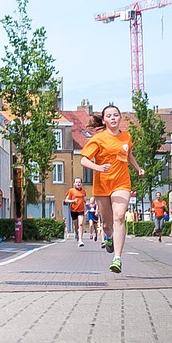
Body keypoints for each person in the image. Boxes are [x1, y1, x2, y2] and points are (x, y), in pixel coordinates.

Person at [80, 104, 144, 274]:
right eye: (109, 116)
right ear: (104, 120)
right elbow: (84, 160)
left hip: (122, 183)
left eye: (116, 115)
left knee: (120, 216)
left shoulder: (126, 137)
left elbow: (128, 155)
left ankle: (117, 258)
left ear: (120, 118)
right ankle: (108, 237)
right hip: (102, 185)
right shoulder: (98, 139)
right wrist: (98, 168)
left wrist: (137, 168)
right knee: (107, 225)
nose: (113, 118)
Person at [66, 178, 87, 247]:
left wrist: (86, 203)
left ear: (81, 183)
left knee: (80, 224)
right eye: (76, 182)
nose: (78, 184)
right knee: (76, 225)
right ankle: (76, 233)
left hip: (81, 210)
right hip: (73, 210)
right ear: (74, 184)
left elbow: (84, 199)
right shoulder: (71, 191)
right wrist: (73, 201)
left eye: (79, 182)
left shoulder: (83, 191)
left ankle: (80, 240)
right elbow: (66, 200)